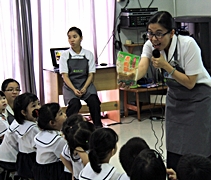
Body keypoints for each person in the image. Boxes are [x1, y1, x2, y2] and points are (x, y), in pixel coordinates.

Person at [120, 11, 211, 171]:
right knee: (174, 144)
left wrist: (166, 66)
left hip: (198, 98)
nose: (154, 39)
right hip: (175, 99)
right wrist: (132, 78)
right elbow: (142, 66)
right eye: (150, 33)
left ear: (172, 33)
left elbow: (190, 83)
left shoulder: (188, 45)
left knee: (198, 146)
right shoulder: (150, 45)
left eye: (159, 34)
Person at [59, 26, 102, 128]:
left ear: (81, 38)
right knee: (75, 104)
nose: (72, 40)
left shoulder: (88, 54)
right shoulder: (65, 55)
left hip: (86, 84)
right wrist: (74, 89)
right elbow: (65, 76)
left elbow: (91, 74)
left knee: (94, 101)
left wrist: (84, 88)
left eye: (75, 37)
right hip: (71, 86)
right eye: (69, 37)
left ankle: (98, 127)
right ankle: (68, 127)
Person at [33, 103, 67, 180]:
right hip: (52, 171)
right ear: (52, 123)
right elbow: (65, 157)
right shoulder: (57, 140)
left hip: (39, 169)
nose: (65, 115)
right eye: (61, 114)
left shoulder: (40, 134)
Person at [14, 92, 41, 179]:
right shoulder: (33, 128)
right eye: (33, 106)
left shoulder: (22, 124)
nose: (38, 108)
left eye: (39, 104)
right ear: (24, 112)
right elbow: (38, 146)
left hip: (22, 158)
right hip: (32, 159)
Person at [60, 114, 86, 180]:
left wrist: (73, 172)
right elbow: (87, 163)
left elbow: (62, 157)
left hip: (77, 176)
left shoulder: (68, 145)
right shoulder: (86, 147)